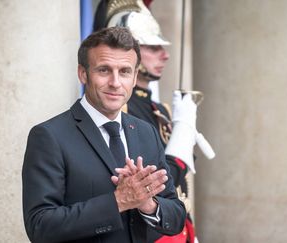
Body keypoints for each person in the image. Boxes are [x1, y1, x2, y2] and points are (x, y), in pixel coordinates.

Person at [22, 26, 186, 243]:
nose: (115, 83)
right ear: (83, 74)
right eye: (104, 70)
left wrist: (147, 203)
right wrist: (119, 201)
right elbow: (40, 226)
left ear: (135, 76)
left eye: (125, 71)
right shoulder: (49, 136)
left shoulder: (146, 132)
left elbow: (176, 216)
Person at [94, 1, 201, 242]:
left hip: (175, 225)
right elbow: (145, 183)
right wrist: (179, 151)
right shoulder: (121, 110)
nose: (165, 55)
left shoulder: (157, 109)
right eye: (153, 47)